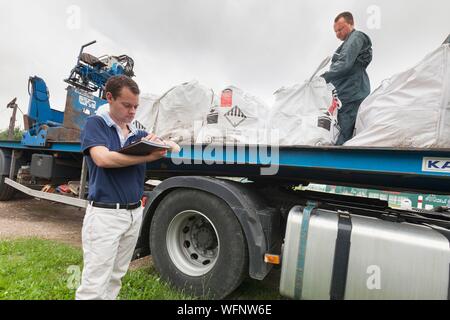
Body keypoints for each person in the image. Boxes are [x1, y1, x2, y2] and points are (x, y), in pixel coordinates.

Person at [76, 75, 168, 300]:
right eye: (126, 105)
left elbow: (171, 146)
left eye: (136, 106)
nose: (132, 111)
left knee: (116, 275)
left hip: (133, 213)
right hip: (105, 215)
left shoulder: (136, 133)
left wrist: (159, 142)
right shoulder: (95, 124)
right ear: (109, 97)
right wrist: (146, 157)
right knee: (95, 281)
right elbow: (103, 159)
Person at [321, 11, 373, 145]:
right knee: (337, 131)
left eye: (340, 29)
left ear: (351, 24)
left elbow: (344, 63)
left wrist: (322, 79)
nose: (338, 34)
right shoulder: (345, 44)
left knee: (344, 133)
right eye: (335, 32)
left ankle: (335, 162)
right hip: (342, 95)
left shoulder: (356, 37)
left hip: (351, 94)